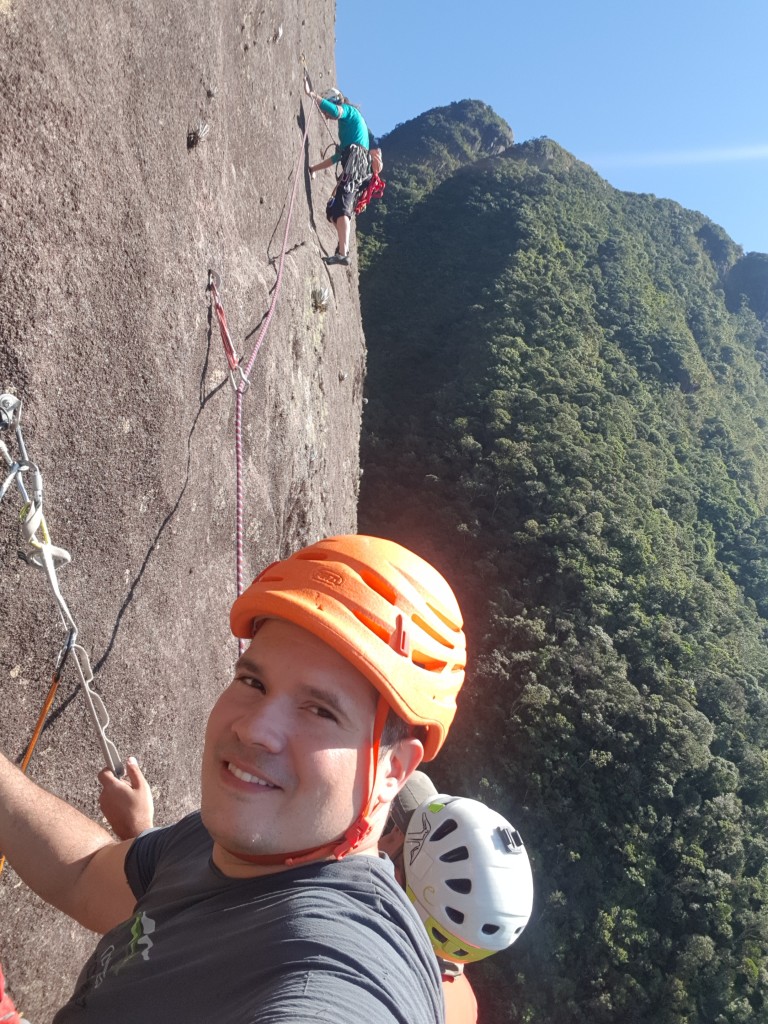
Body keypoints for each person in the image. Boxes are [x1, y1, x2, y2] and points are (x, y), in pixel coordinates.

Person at [0, 535, 467, 1023]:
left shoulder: (345, 964)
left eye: (320, 710)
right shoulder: (223, 841)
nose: (254, 728)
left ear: (393, 770)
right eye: (253, 682)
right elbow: (84, 875)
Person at [304, 80, 382, 266]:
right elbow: (336, 158)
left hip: (356, 162)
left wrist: (313, 96)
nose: (325, 115)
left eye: (325, 111)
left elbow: (336, 111)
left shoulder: (349, 112)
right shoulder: (348, 130)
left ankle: (343, 252)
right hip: (354, 161)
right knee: (332, 210)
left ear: (335, 101)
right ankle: (342, 247)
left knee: (342, 205)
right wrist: (313, 169)